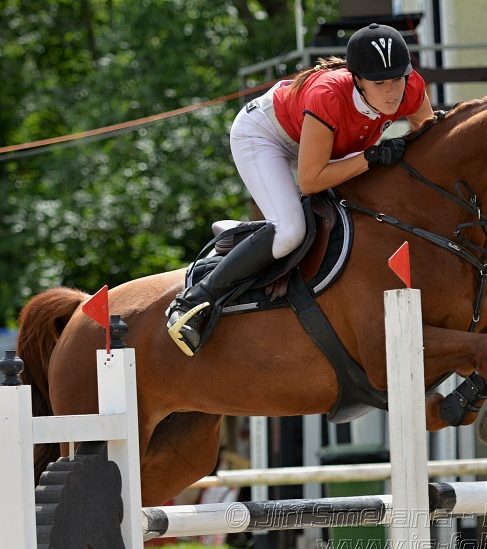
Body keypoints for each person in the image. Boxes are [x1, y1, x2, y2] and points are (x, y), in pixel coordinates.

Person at [167, 23, 435, 356]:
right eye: (380, 83)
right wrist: (370, 158)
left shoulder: (410, 88)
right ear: (358, 80)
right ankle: (193, 301)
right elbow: (310, 180)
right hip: (265, 135)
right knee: (291, 230)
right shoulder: (329, 95)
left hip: (328, 144)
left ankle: (250, 236)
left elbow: (430, 145)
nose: (392, 92)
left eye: (397, 79)